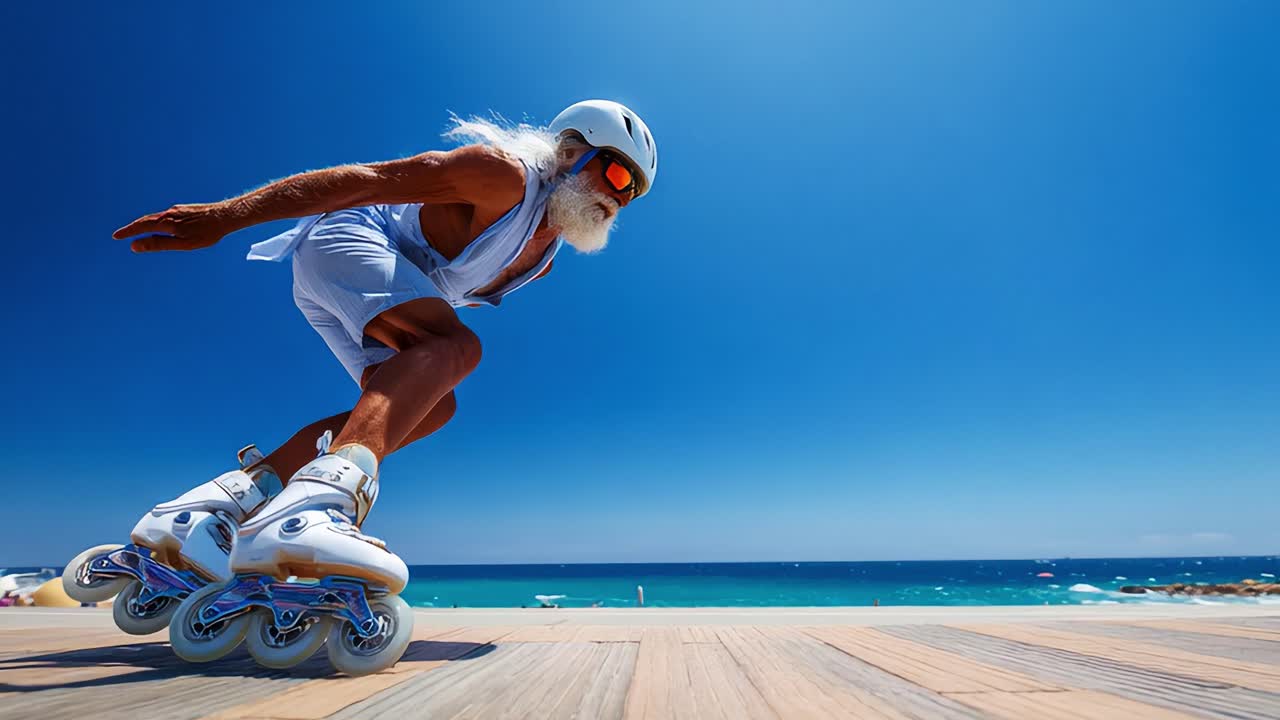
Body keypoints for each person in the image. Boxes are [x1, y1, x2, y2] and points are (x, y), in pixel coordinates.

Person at [67, 100, 658, 674]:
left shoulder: (544, 254)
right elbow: (364, 181)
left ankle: (224, 504)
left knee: (432, 406)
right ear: (570, 150)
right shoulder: (501, 175)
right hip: (343, 241)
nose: (618, 196)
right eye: (614, 171)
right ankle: (313, 511)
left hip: (359, 282)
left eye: (633, 192)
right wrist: (225, 216)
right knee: (454, 348)